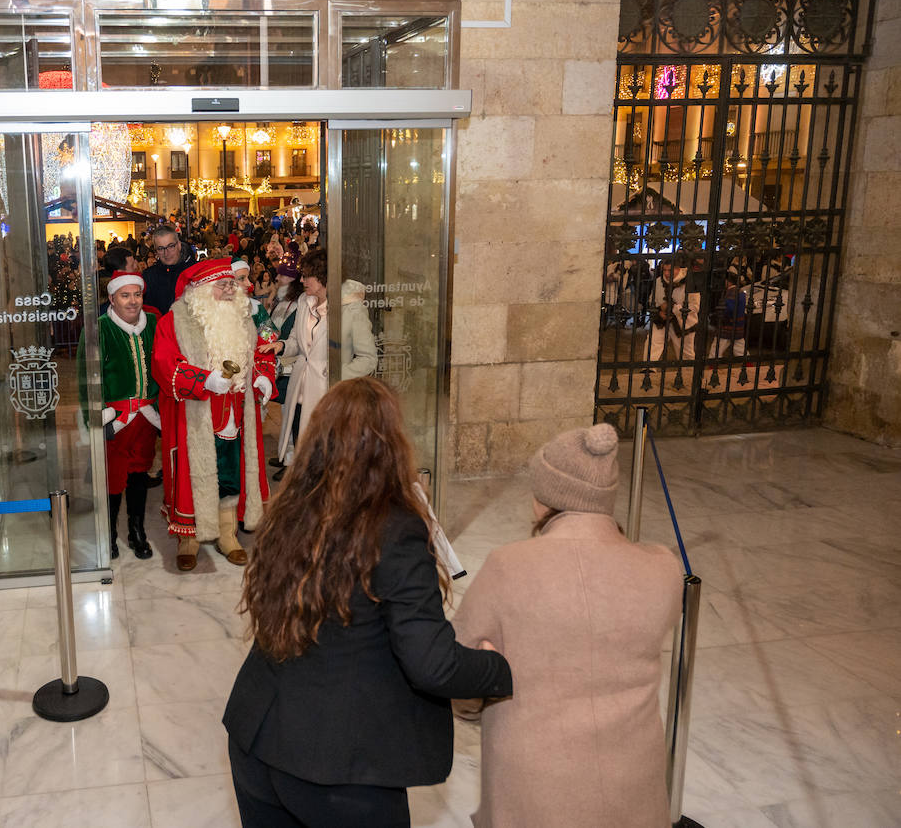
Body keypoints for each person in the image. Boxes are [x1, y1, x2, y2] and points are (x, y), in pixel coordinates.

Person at [224, 378, 512, 827]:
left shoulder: (289, 509)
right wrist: (499, 668)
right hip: (338, 770)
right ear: (391, 447)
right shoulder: (395, 531)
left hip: (256, 739)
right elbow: (431, 663)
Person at [451, 422, 682, 828]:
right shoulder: (664, 569)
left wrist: (474, 703)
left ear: (547, 498)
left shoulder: (509, 567)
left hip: (534, 793)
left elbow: (459, 674)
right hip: (633, 791)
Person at [153, 258, 277, 571]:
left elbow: (260, 352)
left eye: (231, 284)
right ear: (201, 290)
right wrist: (204, 380)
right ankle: (189, 539)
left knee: (231, 473)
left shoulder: (242, 317)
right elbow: (164, 364)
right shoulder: (174, 322)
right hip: (195, 413)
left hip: (236, 412)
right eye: (221, 284)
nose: (228, 290)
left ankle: (227, 535)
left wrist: (262, 376)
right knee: (192, 473)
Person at [92, 274, 160, 560]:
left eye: (137, 294)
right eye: (125, 295)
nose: (133, 301)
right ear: (112, 298)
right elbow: (89, 380)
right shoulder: (100, 329)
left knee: (139, 476)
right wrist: (96, 419)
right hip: (115, 421)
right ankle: (108, 535)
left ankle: (137, 531)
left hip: (146, 418)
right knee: (112, 479)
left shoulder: (154, 325)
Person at [261, 248, 328, 478]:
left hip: (323, 386)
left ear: (322, 277)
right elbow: (295, 341)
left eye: (306, 275)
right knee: (299, 428)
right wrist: (281, 346)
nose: (302, 280)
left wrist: (337, 373)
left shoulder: (342, 309)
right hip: (300, 381)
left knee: (319, 439)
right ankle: (300, 472)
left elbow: (365, 356)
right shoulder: (303, 301)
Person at [646, 253, 699, 362]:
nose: (666, 273)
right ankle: (648, 371)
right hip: (661, 321)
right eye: (664, 270)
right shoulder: (658, 281)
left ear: (679, 269)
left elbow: (695, 307)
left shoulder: (690, 282)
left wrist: (673, 308)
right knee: (652, 344)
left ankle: (689, 374)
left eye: (670, 270)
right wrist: (659, 311)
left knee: (685, 354)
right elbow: (652, 300)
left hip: (683, 324)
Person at [142, 224, 196, 315]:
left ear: (179, 245)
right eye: (160, 248)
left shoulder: (195, 272)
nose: (166, 253)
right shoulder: (148, 277)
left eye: (171, 246)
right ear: (155, 251)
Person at [340, 278, 378, 379]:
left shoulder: (355, 312)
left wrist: (338, 375)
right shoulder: (316, 306)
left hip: (335, 385)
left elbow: (368, 358)